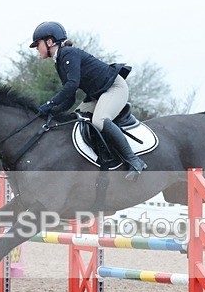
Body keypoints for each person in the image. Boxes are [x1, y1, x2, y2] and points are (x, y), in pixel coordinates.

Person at [30, 21, 147, 179]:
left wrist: (49, 104)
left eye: (38, 44)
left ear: (49, 42)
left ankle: (135, 160)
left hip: (114, 88)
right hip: (97, 95)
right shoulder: (60, 60)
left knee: (99, 121)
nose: (37, 49)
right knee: (76, 120)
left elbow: (72, 85)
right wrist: (51, 112)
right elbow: (70, 98)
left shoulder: (68, 54)